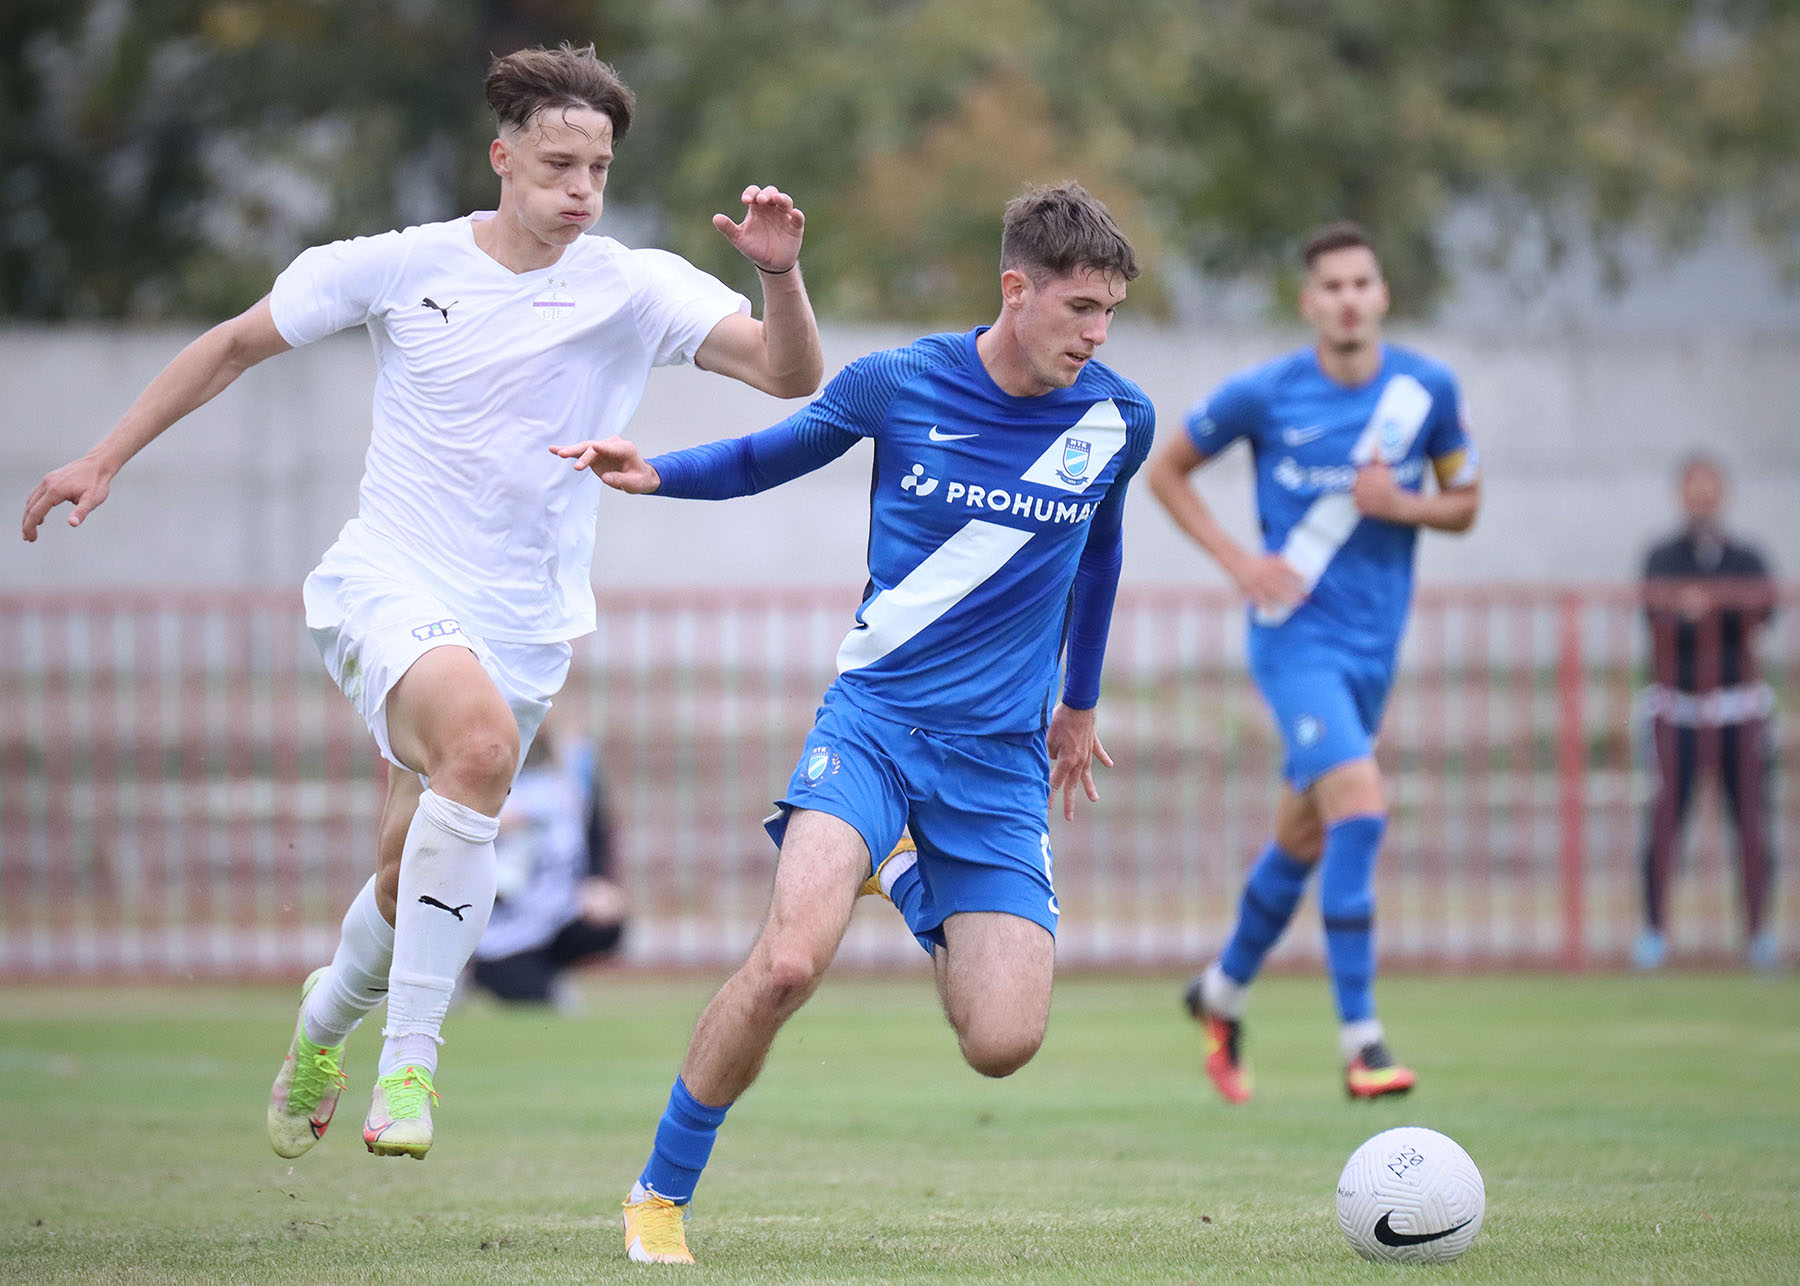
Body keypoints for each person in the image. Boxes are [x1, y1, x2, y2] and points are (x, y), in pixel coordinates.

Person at [20, 43, 822, 1161]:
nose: (581, 190)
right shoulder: (401, 264)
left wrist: (781, 276)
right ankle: (413, 1064)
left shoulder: (633, 285)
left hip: (527, 623)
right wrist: (103, 457)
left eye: (597, 168)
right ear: (502, 158)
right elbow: (236, 344)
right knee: (483, 748)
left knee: (410, 875)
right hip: (388, 582)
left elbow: (790, 379)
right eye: (557, 164)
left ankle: (322, 1021)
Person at [551, 181, 1151, 1264]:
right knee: (787, 964)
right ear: (1016, 290)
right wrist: (655, 473)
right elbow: (766, 455)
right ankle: (659, 1191)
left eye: (1110, 311)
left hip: (1000, 761)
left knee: (1004, 1043)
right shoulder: (899, 382)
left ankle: (909, 871)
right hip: (873, 726)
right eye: (1079, 308)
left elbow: (1101, 553)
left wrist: (1081, 702)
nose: (1096, 333)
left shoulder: (1118, 417)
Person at [1145, 221, 1480, 1104]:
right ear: (1309, 303)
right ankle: (1362, 1041)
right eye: (1330, 286)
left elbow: (1466, 503)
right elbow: (1168, 470)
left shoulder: (1426, 390)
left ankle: (1219, 993)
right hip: (1294, 640)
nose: (1347, 299)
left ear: (1382, 296)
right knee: (1361, 811)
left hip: (1374, 649)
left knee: (1304, 832)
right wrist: (1239, 562)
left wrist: (1401, 504)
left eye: (1361, 283)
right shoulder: (1265, 394)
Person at [1635, 454, 1779, 972]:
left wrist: (1708, 607)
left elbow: (1763, 610)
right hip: (1681, 710)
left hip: (1739, 708)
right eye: (1692, 487)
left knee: (1753, 826)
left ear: (1723, 494)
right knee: (1666, 825)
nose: (1702, 497)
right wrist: (1707, 612)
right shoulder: (1663, 555)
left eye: (1710, 487)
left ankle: (1759, 933)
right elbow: (1658, 613)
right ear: (1682, 494)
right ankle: (1653, 933)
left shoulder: (1746, 555)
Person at [469, 723, 627, 1006]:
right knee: (527, 989)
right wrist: (482, 823)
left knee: (605, 923)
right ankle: (475, 972)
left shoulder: (570, 771)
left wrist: (596, 879)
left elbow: (595, 827)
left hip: (553, 908)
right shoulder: (478, 768)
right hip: (497, 921)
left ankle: (544, 970)